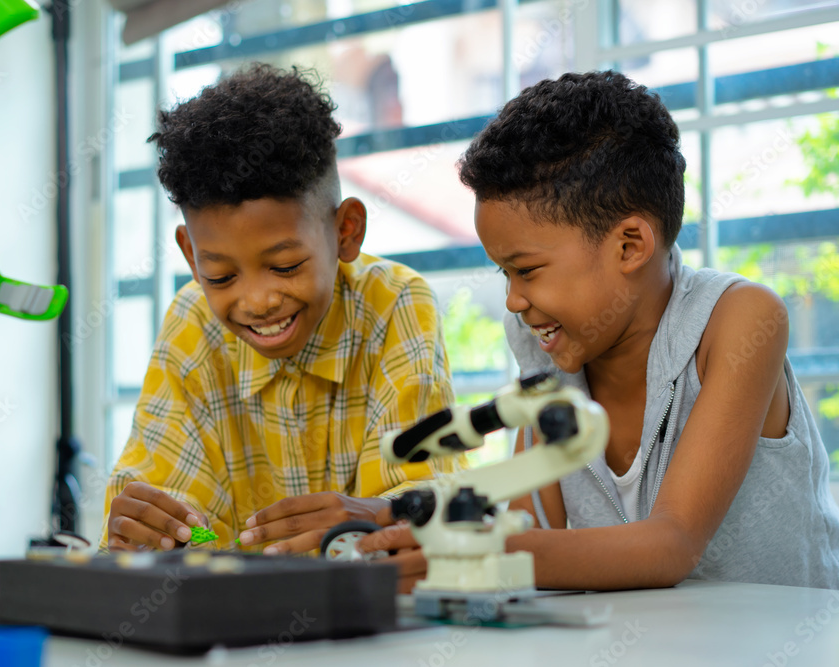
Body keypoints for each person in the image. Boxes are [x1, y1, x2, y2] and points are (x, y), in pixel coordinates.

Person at [359, 70, 839, 590]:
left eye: (527, 270)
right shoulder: (545, 341)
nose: (514, 300)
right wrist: (383, 521)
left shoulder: (742, 319)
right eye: (504, 272)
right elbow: (524, 523)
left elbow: (670, 544)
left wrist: (481, 553)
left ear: (630, 245)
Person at [101, 64, 462, 555]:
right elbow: (206, 537)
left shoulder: (395, 305)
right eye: (222, 277)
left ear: (346, 232)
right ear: (190, 255)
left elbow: (426, 505)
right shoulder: (193, 323)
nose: (256, 301)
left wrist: (375, 518)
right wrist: (164, 532)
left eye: (286, 265)